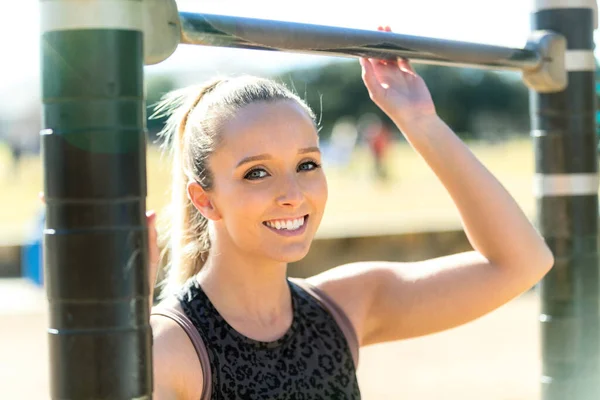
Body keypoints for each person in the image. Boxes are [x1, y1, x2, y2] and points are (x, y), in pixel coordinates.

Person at [147, 27, 554, 400]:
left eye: (307, 165)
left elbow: (522, 262)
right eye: (257, 173)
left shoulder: (342, 309)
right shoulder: (170, 345)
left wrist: (420, 122)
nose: (292, 194)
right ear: (205, 199)